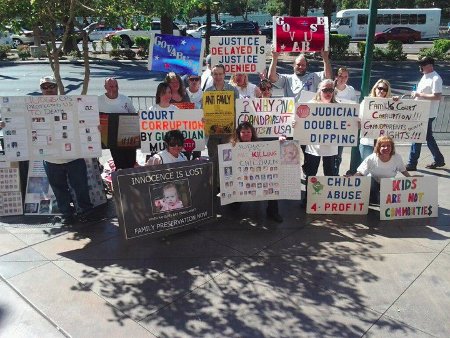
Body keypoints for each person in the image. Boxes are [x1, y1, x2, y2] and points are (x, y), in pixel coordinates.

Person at [40, 76, 93, 225]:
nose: (49, 89)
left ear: (57, 87)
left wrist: (94, 127)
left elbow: (85, 120)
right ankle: (66, 215)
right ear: (41, 90)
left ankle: (86, 211)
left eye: (51, 86)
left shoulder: (70, 103)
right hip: (51, 159)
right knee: (59, 190)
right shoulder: (34, 108)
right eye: (45, 87)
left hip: (74, 157)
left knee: (81, 187)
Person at [230, 121, 283, 223]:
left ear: (252, 133)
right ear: (238, 134)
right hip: (241, 176)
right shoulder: (233, 146)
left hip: (257, 174)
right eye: (243, 132)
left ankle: (273, 211)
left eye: (248, 132)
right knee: (234, 206)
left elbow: (272, 146)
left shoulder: (259, 144)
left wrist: (279, 140)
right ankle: (235, 202)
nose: (246, 134)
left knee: (272, 184)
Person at [406, 57, 445, 171]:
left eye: (423, 64)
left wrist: (419, 95)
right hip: (421, 112)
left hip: (427, 113)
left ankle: (412, 163)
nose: (420, 67)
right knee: (427, 137)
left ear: (430, 65)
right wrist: (417, 94)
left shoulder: (436, 78)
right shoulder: (426, 76)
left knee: (417, 137)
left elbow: (437, 96)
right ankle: (439, 160)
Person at [205, 64, 240, 188]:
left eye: (220, 74)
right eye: (215, 74)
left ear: (224, 75)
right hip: (213, 135)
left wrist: (236, 133)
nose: (218, 76)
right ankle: (215, 189)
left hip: (228, 134)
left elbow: (238, 111)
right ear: (212, 75)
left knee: (229, 162)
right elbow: (205, 111)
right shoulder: (208, 92)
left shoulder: (233, 90)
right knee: (214, 162)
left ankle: (230, 188)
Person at [355, 135, 413, 204]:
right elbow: (360, 172)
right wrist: (351, 178)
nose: (386, 148)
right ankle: (372, 196)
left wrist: (412, 179)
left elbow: (403, 170)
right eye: (383, 146)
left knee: (387, 201)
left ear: (392, 147)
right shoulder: (371, 158)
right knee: (375, 198)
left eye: (388, 146)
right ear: (378, 148)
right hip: (374, 182)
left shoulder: (397, 157)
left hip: (389, 183)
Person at [98, 77, 137, 169]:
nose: (114, 89)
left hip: (128, 137)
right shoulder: (98, 100)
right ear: (105, 87)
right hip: (112, 138)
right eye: (111, 86)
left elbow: (134, 115)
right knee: (119, 164)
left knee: (131, 163)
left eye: (116, 86)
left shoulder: (125, 99)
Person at [303, 79, 339, 178]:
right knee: (311, 174)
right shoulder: (310, 105)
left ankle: (328, 193)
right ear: (319, 91)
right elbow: (301, 123)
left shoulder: (339, 107)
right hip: (313, 147)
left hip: (331, 147)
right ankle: (308, 194)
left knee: (330, 175)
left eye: (330, 90)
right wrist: (296, 123)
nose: (328, 93)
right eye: (325, 90)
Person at [268, 49, 332, 101]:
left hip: (309, 113)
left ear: (306, 66)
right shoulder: (287, 78)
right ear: (293, 65)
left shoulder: (314, 77)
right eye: (298, 65)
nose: (301, 67)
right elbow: (271, 77)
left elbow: (328, 77)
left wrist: (325, 58)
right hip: (291, 113)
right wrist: (274, 57)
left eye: (303, 65)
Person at [359, 79, 396, 161]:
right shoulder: (365, 102)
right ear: (375, 89)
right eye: (380, 88)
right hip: (367, 142)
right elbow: (359, 118)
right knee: (366, 168)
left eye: (385, 89)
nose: (382, 91)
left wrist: (396, 102)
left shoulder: (391, 104)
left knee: (382, 169)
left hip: (384, 144)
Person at [334, 67, 358, 175]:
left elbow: (355, 108)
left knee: (338, 155)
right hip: (328, 127)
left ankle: (335, 174)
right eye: (340, 76)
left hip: (343, 128)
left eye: (345, 76)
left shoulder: (351, 90)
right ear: (336, 76)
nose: (343, 79)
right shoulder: (330, 88)